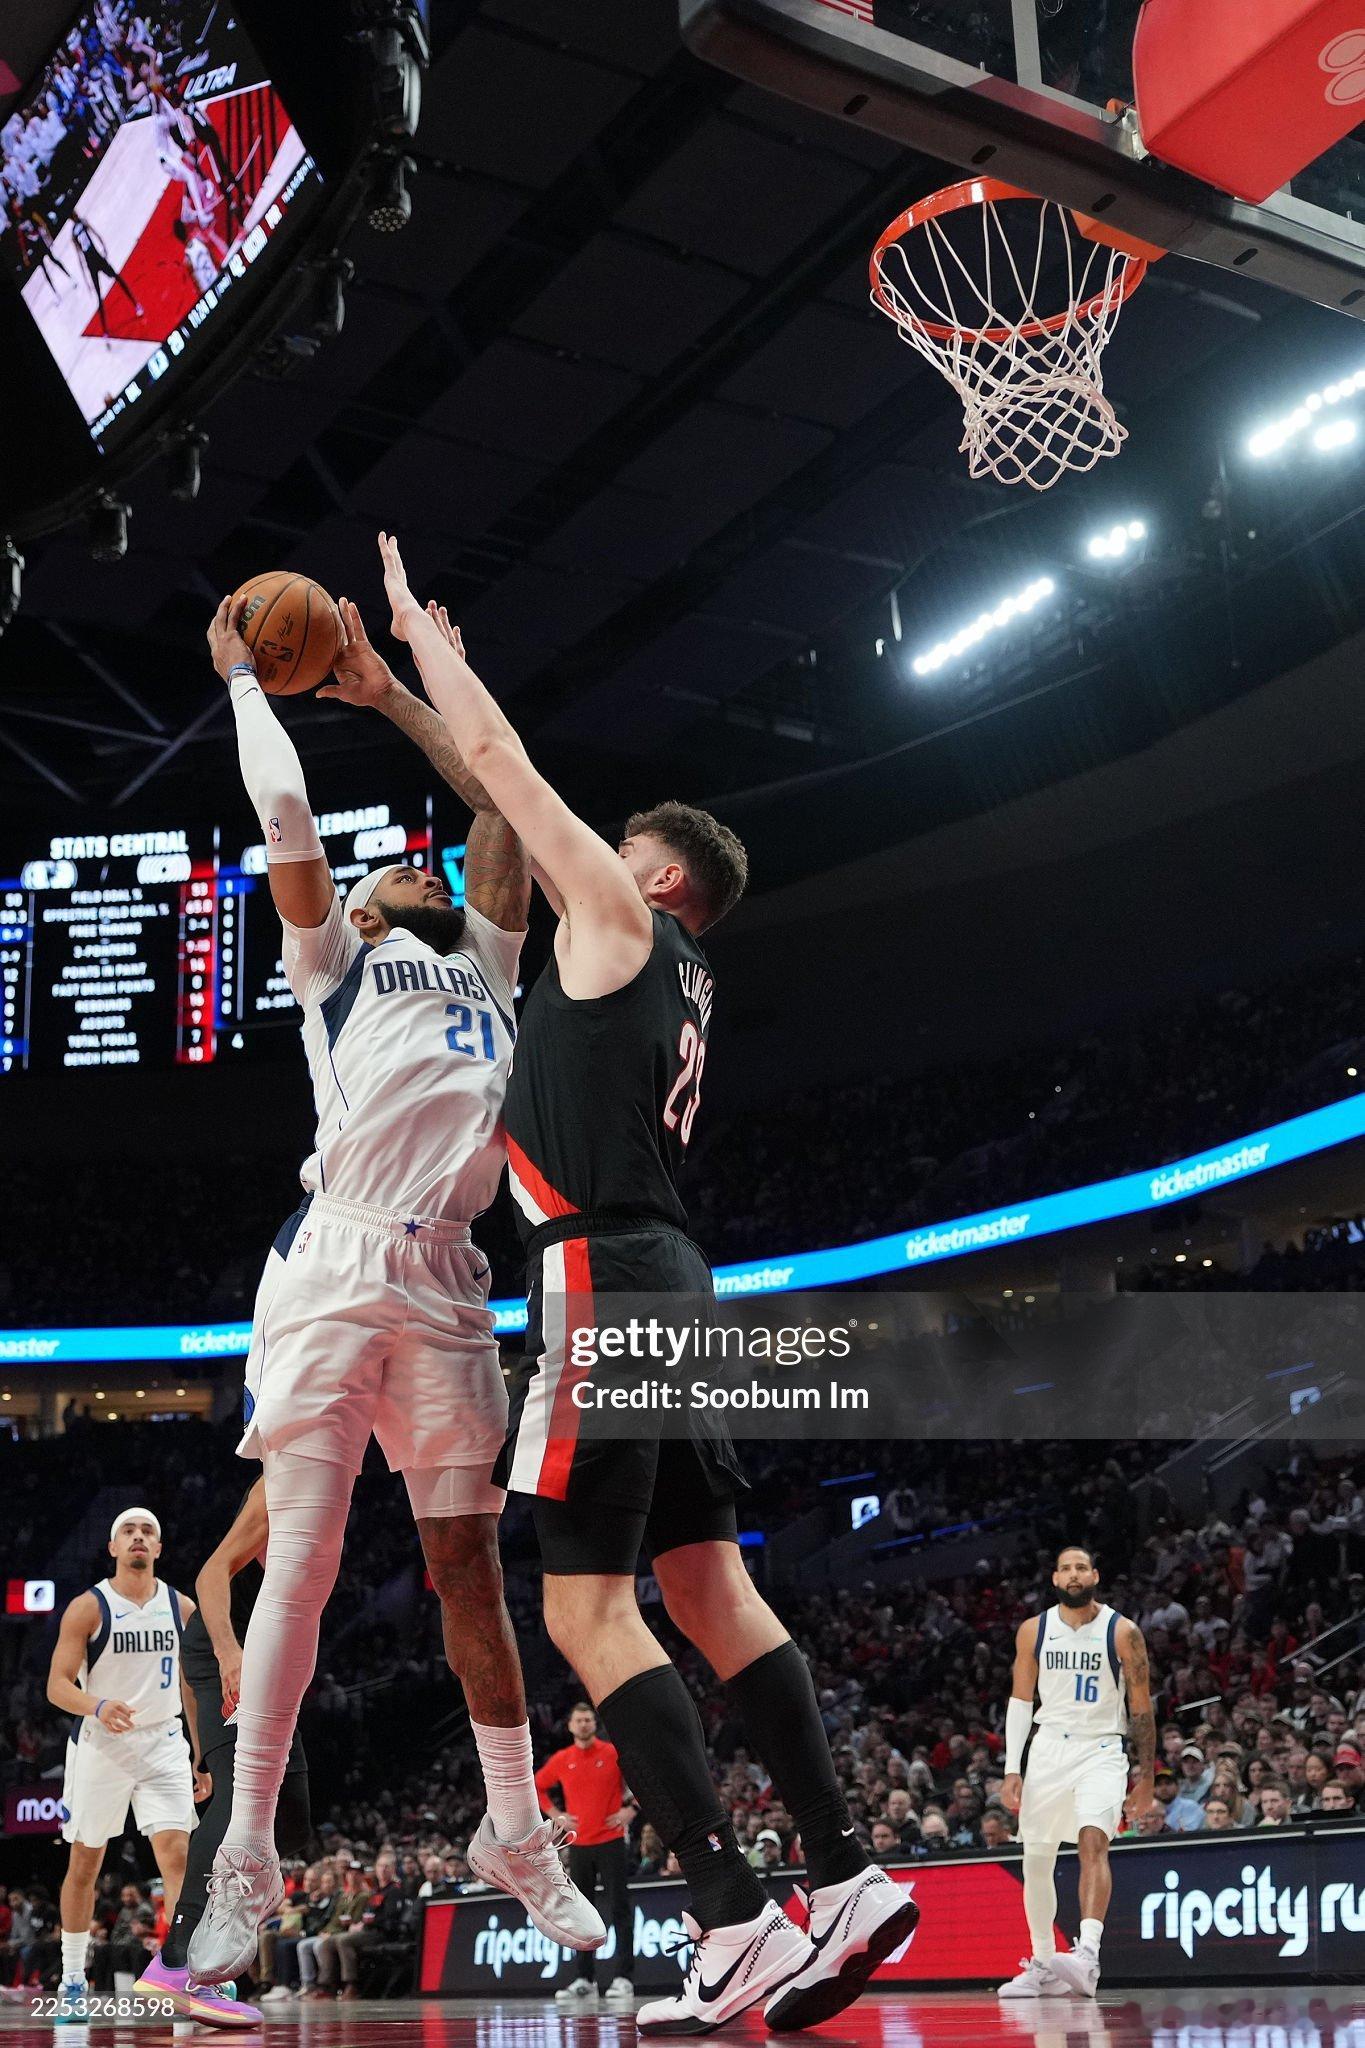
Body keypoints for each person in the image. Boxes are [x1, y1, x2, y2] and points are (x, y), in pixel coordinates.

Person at [373, 531, 919, 2036]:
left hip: (600, 1270)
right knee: (709, 1584)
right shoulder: (683, 975)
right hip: (671, 1270)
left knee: (586, 1610)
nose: (583, 858)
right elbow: (501, 798)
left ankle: (736, 1917)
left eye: (610, 844)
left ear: (658, 872)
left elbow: (498, 762)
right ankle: (850, 1872)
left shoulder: (621, 923)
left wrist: (427, 646)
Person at [187, 597, 602, 1984]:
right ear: (365, 903)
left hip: (448, 1277)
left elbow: (502, 795)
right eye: (395, 872)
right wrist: (249, 682)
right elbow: (289, 815)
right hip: (338, 1255)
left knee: (466, 1567)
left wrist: (396, 688)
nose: (423, 867)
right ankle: (242, 1860)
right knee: (299, 1568)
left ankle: (510, 1832)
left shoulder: (489, 955)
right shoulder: (337, 958)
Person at [139, 1480, 311, 2025]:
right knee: (239, 1799)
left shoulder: (339, 1482)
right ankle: (178, 1963)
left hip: (265, 1656)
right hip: (232, 1647)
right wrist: (229, 1651)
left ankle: (224, 1928)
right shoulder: (287, 1474)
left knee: (293, 1817)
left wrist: (197, 1744)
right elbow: (212, 1574)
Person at [46, 1508, 202, 2026]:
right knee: (85, 1862)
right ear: (113, 1548)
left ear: (159, 1547)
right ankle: (72, 1977)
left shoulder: (181, 1606)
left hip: (162, 1740)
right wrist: (97, 1704)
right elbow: (58, 1684)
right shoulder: (88, 1607)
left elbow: (190, 1686)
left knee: (178, 1856)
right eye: (128, 1532)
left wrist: (200, 1752)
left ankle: (180, 1970)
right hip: (102, 1744)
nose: (139, 1537)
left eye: (148, 1532)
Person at [997, 1545, 1155, 2002]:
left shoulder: (1123, 1631)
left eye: (1081, 1567)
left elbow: (1141, 1708)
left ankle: (1087, 1954)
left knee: (1093, 1839)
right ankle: (1044, 1963)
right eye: (1065, 1568)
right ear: (1054, 1578)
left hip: (1102, 1746)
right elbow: (1021, 1700)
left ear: (1095, 1576)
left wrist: (1145, 1777)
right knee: (1037, 1856)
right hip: (1048, 1747)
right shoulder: (1034, 1630)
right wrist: (1012, 1766)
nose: (1073, 1575)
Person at [538, 1704, 636, 2010]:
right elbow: (537, 1787)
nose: (583, 1724)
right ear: (569, 1725)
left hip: (611, 1841)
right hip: (579, 1845)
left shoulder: (611, 1752)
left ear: (594, 1723)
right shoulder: (561, 1759)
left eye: (588, 1719)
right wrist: (556, 1815)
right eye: (578, 1720)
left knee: (619, 1907)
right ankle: (585, 1978)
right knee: (580, 1913)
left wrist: (630, 1809)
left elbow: (642, 1778)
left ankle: (624, 1977)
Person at [69, 210, 142, 333]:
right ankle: (107, 328)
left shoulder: (79, 227)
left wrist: (103, 246)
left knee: (113, 282)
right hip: (94, 261)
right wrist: (86, 279)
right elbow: (81, 254)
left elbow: (92, 238)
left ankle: (135, 305)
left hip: (95, 261)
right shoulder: (76, 231)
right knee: (104, 291)